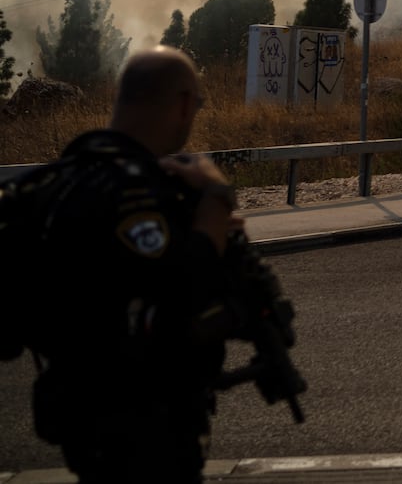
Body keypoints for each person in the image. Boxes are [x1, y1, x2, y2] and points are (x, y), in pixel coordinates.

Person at [23, 46, 241, 483]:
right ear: (182, 104)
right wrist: (217, 201)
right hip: (147, 430)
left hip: (78, 423)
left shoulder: (52, 185)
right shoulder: (141, 196)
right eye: (195, 104)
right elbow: (186, 282)